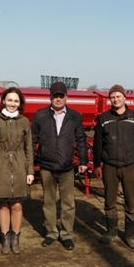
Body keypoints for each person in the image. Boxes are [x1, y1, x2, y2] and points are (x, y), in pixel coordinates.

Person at [31, 82, 88, 251]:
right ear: (50, 97)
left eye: (61, 96)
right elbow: (32, 140)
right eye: (55, 96)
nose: (58, 99)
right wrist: (31, 161)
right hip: (46, 166)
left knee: (68, 202)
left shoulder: (74, 116)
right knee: (48, 202)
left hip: (66, 167)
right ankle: (51, 233)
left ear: (66, 97)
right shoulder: (40, 115)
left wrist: (84, 161)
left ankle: (66, 234)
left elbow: (81, 140)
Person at [93, 84, 134, 249]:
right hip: (109, 166)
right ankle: (111, 232)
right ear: (109, 99)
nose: (115, 99)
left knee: (130, 201)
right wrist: (97, 165)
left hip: (130, 166)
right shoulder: (104, 119)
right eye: (112, 97)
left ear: (125, 98)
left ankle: (130, 235)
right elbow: (97, 144)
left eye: (118, 96)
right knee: (109, 200)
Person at [0, 87, 34, 255]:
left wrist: (30, 171)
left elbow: (29, 148)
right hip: (1, 163)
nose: (12, 103)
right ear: (3, 101)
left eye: (16, 101)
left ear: (20, 103)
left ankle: (16, 238)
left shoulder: (24, 122)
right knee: (3, 204)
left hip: (20, 164)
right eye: (10, 100)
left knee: (17, 204)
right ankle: (5, 238)